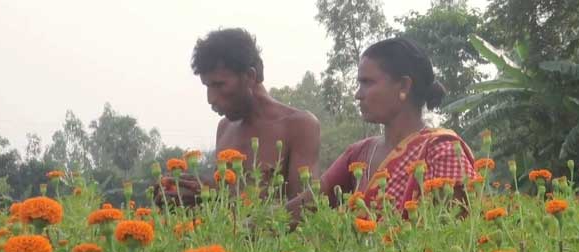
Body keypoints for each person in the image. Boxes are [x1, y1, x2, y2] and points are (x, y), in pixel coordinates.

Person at [287, 37, 476, 217]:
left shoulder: (443, 152)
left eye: (367, 83)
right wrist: (261, 223)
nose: (358, 95)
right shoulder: (359, 154)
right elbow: (306, 206)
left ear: (403, 86)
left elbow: (453, 231)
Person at [156, 28, 320, 206]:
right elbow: (225, 212)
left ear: (249, 76)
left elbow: (304, 211)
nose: (210, 99)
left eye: (219, 85)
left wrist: (215, 198)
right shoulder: (224, 129)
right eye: (207, 86)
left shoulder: (300, 126)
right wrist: (185, 196)